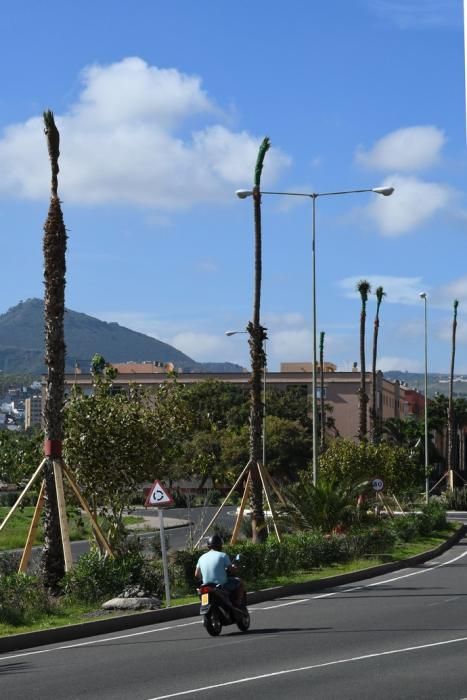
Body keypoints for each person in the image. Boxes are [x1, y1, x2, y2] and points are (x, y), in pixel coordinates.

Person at [195, 533, 245, 608]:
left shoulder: (201, 557)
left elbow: (196, 574)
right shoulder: (223, 555)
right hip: (221, 585)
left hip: (206, 586)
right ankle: (238, 603)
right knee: (240, 582)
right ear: (220, 545)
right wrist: (235, 568)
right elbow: (231, 570)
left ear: (208, 545)